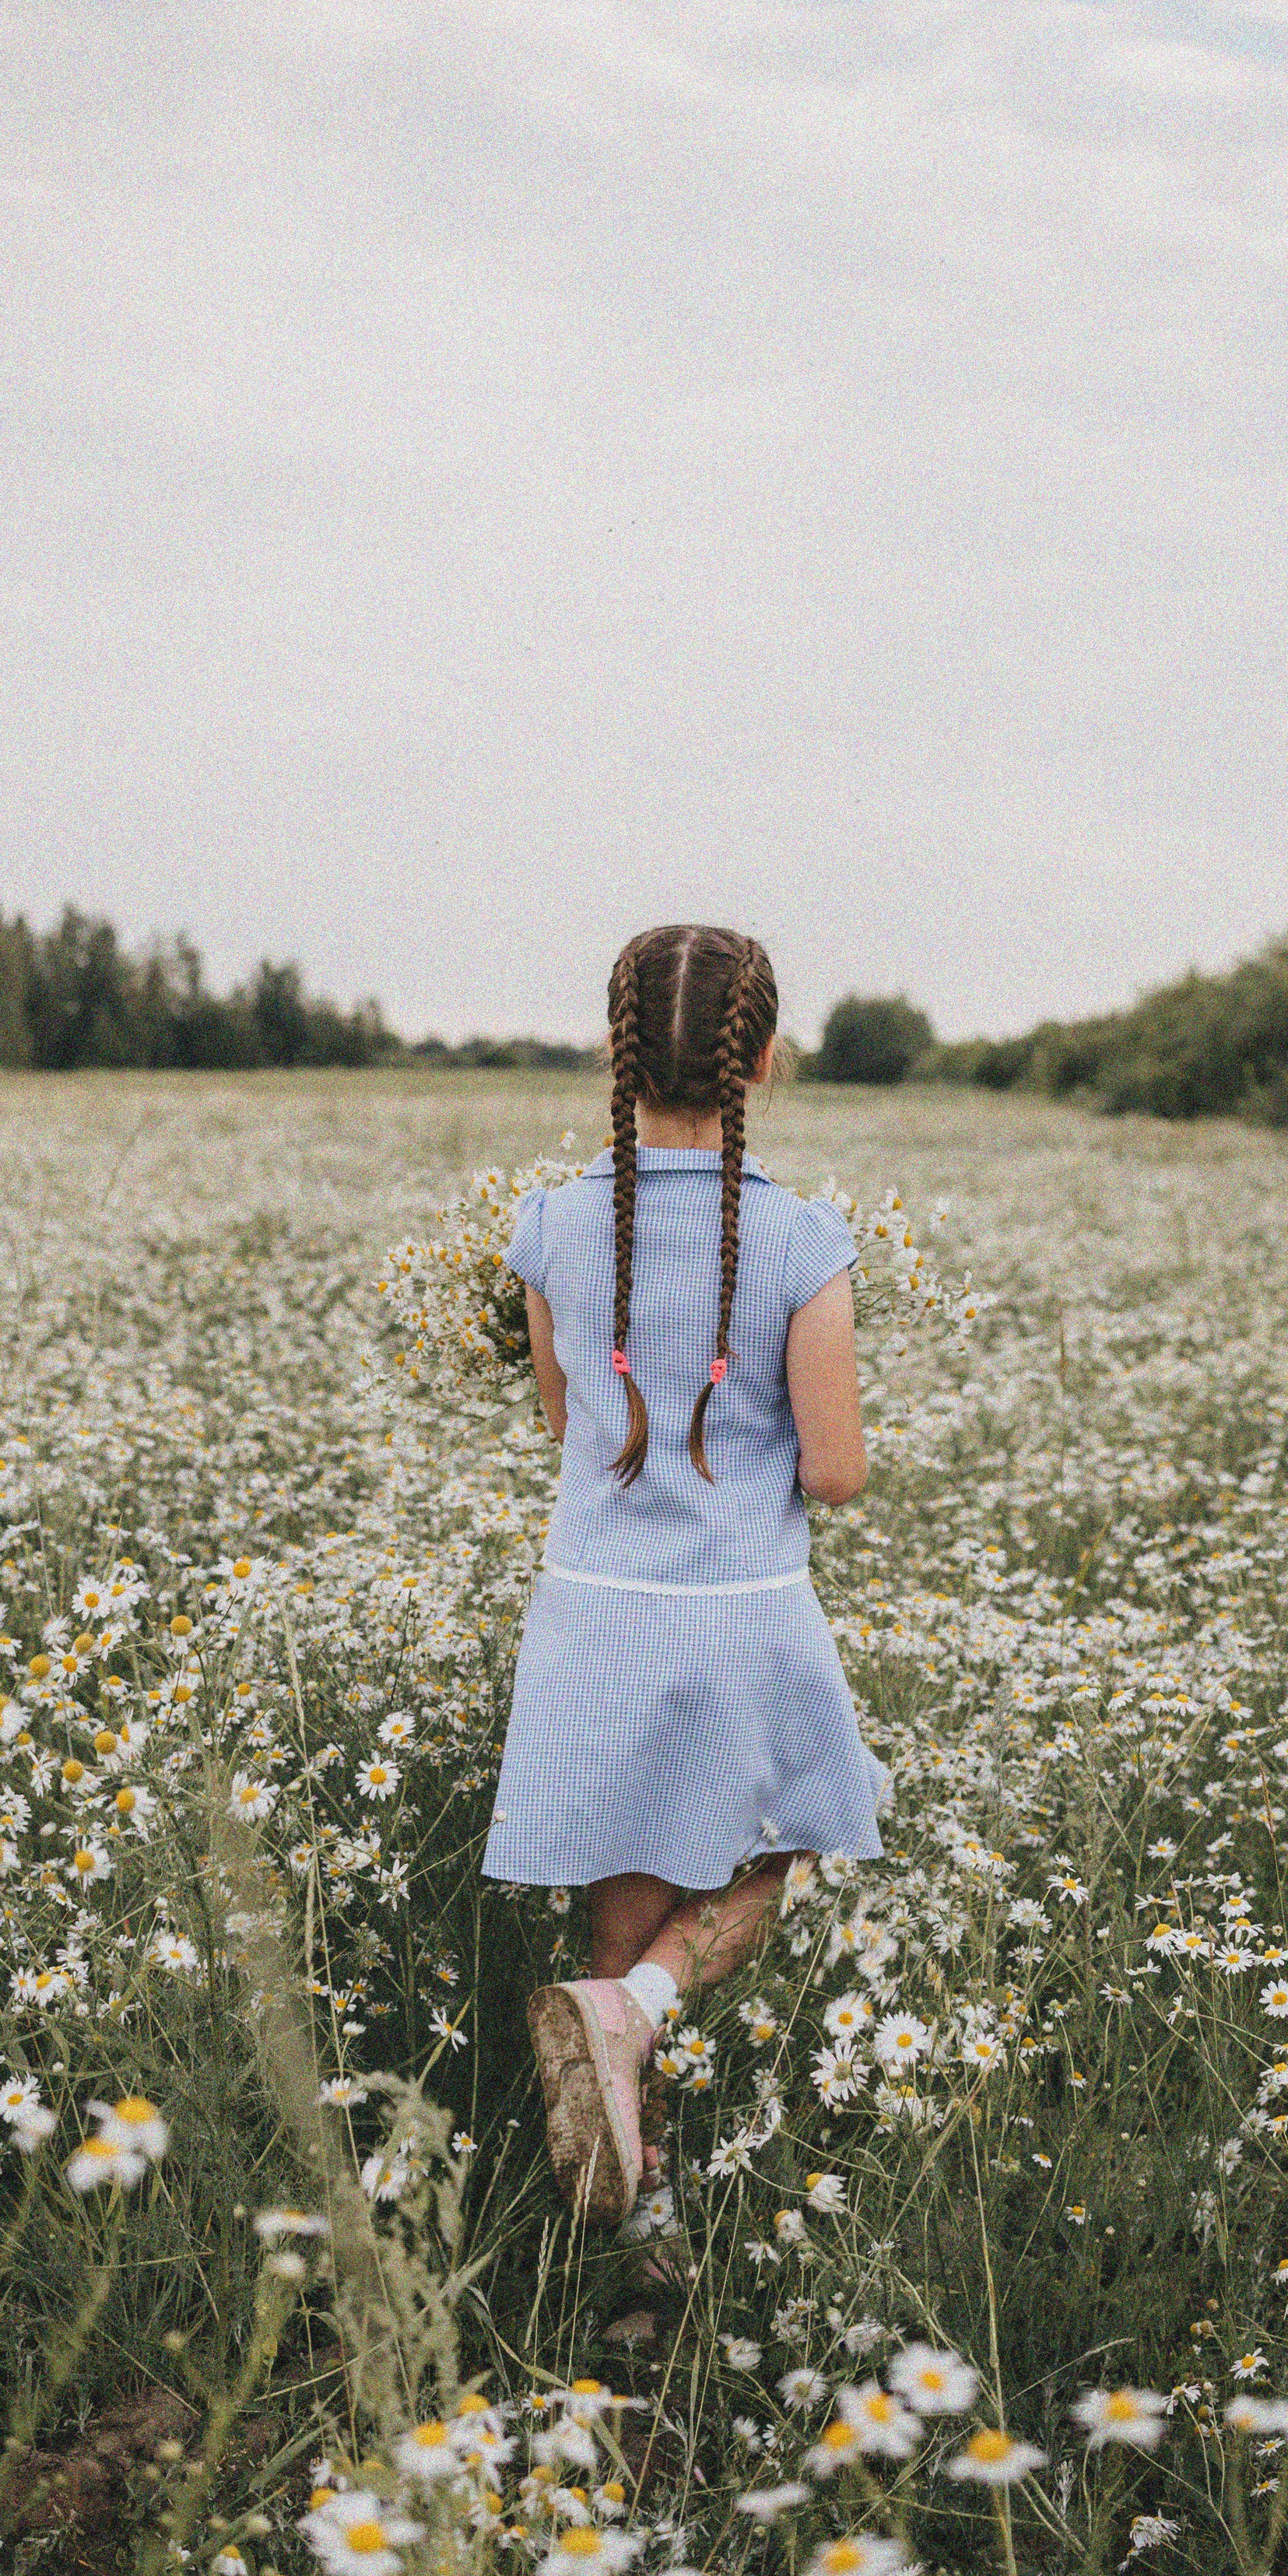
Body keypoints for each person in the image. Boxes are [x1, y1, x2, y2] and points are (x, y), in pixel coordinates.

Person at [483, 922, 883, 2234]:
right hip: (735, 1620)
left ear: (616, 1052)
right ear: (761, 1061)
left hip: (591, 1614)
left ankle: (631, 2237)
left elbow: (565, 1425)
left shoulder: (548, 1228)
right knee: (799, 1847)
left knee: (623, 1916)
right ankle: (637, 2021)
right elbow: (834, 1473)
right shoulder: (802, 1242)